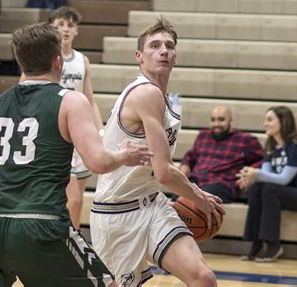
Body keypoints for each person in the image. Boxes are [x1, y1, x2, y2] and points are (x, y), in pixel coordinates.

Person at [0, 22, 151, 287]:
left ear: (20, 63)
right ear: (58, 62)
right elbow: (98, 161)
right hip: (42, 225)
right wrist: (124, 155)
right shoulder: (70, 101)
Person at [89, 18, 225, 287]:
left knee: (203, 278)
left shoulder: (167, 100)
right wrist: (199, 198)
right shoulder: (145, 93)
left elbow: (160, 169)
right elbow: (163, 172)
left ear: (175, 57)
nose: (163, 50)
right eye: (155, 45)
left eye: (169, 46)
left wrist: (191, 190)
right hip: (117, 214)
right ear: (139, 57)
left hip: (152, 203)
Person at [237, 106, 297, 262]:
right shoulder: (271, 145)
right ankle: (256, 243)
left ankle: (273, 245)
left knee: (269, 189)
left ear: (283, 122)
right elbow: (265, 175)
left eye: (270, 120)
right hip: (284, 193)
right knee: (257, 188)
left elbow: (284, 179)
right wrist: (250, 178)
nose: (265, 124)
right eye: (265, 120)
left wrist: (256, 174)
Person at [49, 6, 104, 229]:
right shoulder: (45, 59)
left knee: (78, 199)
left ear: (77, 30)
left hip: (81, 132)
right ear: (51, 27)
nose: (65, 29)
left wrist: (100, 130)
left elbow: (89, 98)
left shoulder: (83, 60)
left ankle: (74, 237)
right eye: (60, 24)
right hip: (58, 132)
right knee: (72, 198)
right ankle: (69, 245)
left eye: (70, 25)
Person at [179, 105, 263, 202]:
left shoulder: (245, 140)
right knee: (177, 193)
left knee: (200, 199)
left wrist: (250, 171)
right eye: (213, 120)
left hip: (221, 184)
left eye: (221, 119)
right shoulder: (203, 136)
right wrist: (185, 165)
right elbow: (190, 155)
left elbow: (263, 160)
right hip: (196, 180)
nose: (216, 124)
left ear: (230, 120)